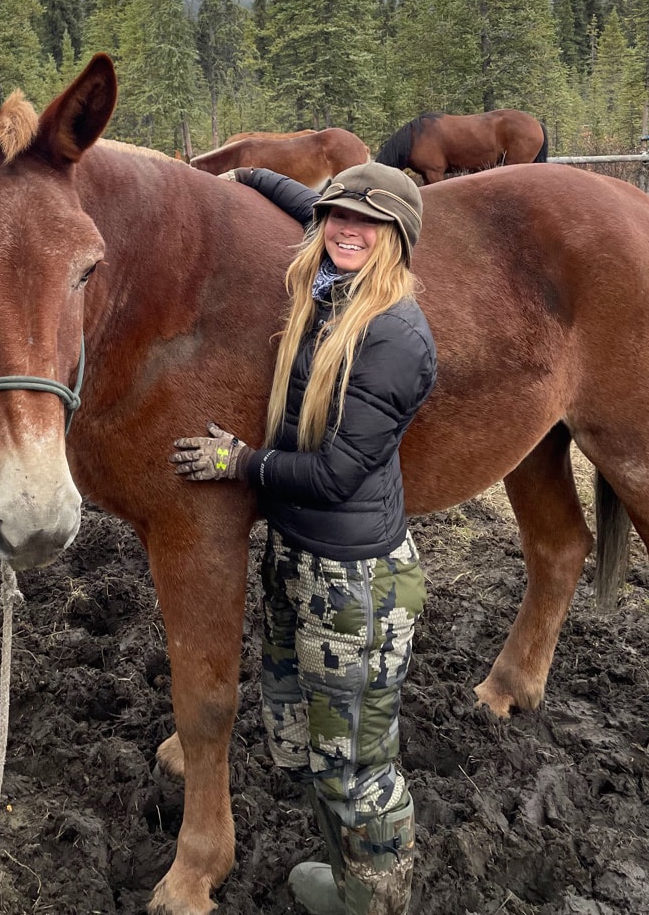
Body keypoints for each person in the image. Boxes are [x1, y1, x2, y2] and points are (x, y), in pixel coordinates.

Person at [169, 161, 436, 915]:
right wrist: (244, 168)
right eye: (337, 216)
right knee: (318, 748)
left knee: (360, 765)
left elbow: (336, 475)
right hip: (303, 563)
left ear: (398, 239)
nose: (348, 230)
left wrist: (239, 462)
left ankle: (374, 903)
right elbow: (312, 205)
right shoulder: (330, 290)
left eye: (369, 221)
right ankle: (350, 879)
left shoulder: (391, 337)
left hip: (356, 588)